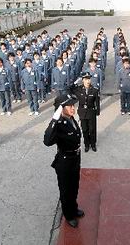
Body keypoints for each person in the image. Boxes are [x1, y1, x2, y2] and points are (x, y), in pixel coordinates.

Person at [43, 94, 84, 228]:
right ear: (61, 109)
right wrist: (54, 119)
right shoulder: (59, 123)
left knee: (74, 185)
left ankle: (74, 207)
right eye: (69, 106)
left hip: (75, 158)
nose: (73, 108)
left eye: (73, 105)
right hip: (65, 161)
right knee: (66, 190)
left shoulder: (71, 118)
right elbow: (47, 141)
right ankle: (69, 215)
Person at [70, 73, 100, 152]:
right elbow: (70, 88)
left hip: (91, 112)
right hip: (82, 112)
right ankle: (86, 144)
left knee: (92, 129)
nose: (88, 81)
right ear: (83, 80)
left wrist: (97, 112)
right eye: (86, 79)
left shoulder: (95, 90)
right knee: (85, 129)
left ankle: (93, 144)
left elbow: (97, 102)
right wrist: (77, 81)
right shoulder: (79, 89)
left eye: (89, 79)